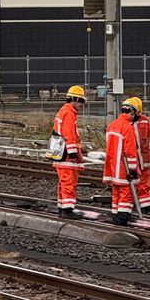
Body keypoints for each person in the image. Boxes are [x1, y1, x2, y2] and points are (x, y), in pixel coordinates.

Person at [48, 85, 86, 217]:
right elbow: (69, 134)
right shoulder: (69, 113)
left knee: (63, 182)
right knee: (69, 181)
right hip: (66, 155)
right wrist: (73, 152)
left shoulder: (63, 111)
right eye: (80, 101)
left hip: (59, 153)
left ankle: (62, 206)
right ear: (74, 99)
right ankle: (67, 209)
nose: (81, 104)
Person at [103, 99, 142, 226]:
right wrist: (132, 170)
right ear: (132, 112)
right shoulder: (127, 128)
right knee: (126, 193)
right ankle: (122, 217)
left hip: (112, 167)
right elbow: (130, 152)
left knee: (116, 192)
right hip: (123, 168)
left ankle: (115, 215)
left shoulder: (112, 125)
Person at [124, 96, 150, 212]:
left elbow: (145, 138)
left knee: (143, 181)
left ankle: (143, 203)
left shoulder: (143, 121)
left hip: (143, 156)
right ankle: (138, 203)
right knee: (137, 181)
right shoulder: (142, 120)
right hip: (137, 156)